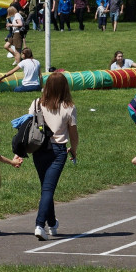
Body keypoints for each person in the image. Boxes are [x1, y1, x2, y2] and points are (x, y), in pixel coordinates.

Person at [30, 72, 78, 240]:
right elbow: (73, 132)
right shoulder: (69, 107)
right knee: (48, 189)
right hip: (58, 150)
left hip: (38, 148)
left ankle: (51, 223)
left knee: (45, 187)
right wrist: (74, 149)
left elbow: (29, 124)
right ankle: (39, 223)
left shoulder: (37, 103)